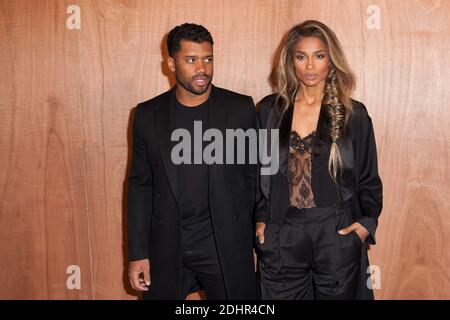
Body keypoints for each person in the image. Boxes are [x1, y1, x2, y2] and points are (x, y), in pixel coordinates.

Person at [127, 23, 258, 299]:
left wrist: (258, 233)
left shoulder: (241, 109)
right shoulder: (146, 115)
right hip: (167, 245)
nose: (202, 68)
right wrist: (138, 253)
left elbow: (257, 175)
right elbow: (140, 186)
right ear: (171, 63)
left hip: (223, 243)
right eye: (191, 60)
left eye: (208, 58)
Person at [255, 20, 383, 300]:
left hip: (336, 230)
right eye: (301, 56)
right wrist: (261, 220)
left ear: (331, 59)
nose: (310, 66)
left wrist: (365, 224)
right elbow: (257, 174)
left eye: (319, 56)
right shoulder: (269, 110)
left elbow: (368, 177)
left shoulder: (354, 114)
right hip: (283, 231)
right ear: (291, 61)